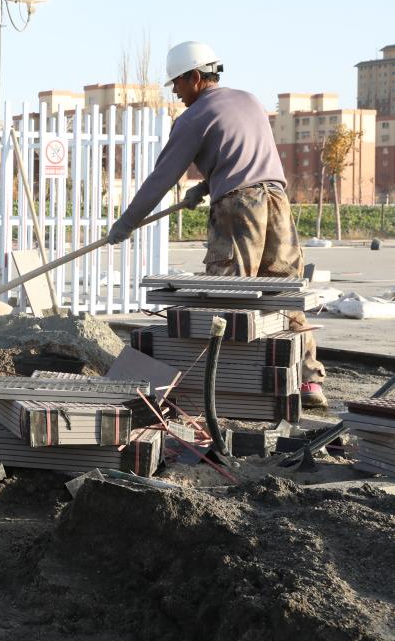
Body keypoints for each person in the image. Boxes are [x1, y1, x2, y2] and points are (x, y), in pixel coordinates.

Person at [107, 41, 327, 407]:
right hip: (277, 200)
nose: (176, 92)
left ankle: (224, 388)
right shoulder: (249, 100)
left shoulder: (193, 118)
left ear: (195, 76)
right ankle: (308, 381)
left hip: (238, 208)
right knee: (284, 293)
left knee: (228, 298)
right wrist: (207, 185)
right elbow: (246, 156)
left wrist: (127, 222)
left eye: (178, 83)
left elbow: (162, 178)